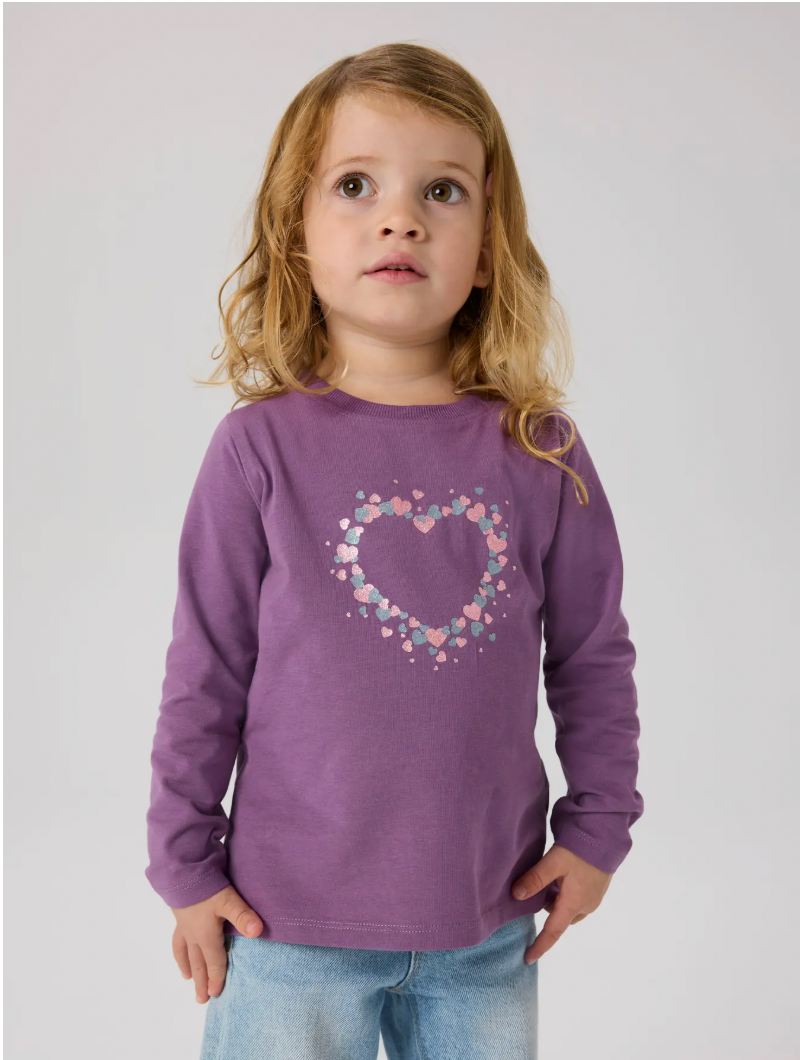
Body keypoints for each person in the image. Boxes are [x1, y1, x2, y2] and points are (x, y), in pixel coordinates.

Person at [144, 41, 644, 1060]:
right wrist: (183, 863)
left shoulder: (540, 450)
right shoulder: (257, 450)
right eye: (356, 185)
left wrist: (597, 831)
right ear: (295, 235)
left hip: (486, 925)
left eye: (442, 191)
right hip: (283, 926)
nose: (400, 218)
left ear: (489, 244)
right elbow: (205, 666)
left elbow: (592, 656)